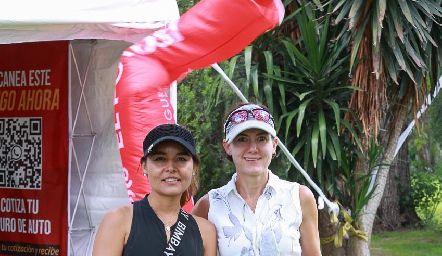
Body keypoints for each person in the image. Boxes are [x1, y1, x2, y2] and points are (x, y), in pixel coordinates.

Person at [191, 103, 321, 255]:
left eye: (261, 138)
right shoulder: (209, 205)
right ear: (227, 147)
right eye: (242, 139)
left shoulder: (299, 197)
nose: (253, 148)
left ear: (274, 145)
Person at [93, 123, 217, 256]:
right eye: (160, 159)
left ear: (194, 167)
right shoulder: (119, 220)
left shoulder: (205, 231)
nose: (170, 167)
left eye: (181, 159)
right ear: (144, 166)